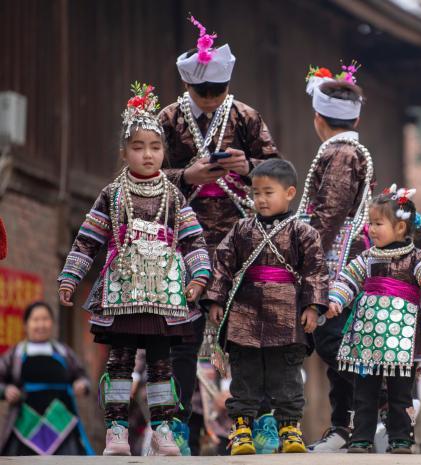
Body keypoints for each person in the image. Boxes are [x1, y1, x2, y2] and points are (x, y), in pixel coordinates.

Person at [57, 83, 211, 456]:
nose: (148, 155)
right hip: (122, 289)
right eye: (138, 148)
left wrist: (200, 276)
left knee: (161, 363)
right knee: (120, 360)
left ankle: (162, 430)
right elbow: (88, 238)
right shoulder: (112, 194)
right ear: (123, 152)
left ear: (164, 152)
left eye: (155, 147)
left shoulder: (174, 197)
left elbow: (193, 240)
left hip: (165, 293)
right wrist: (70, 277)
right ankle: (116, 431)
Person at [158, 16, 279, 449]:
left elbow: (276, 171)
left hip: (238, 237)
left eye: (217, 92)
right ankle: (174, 425)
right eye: (201, 92)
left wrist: (247, 168)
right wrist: (186, 175)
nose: (209, 100)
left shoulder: (246, 116)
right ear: (187, 87)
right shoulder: (168, 118)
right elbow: (144, 175)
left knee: (245, 331)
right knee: (183, 336)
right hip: (183, 239)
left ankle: (253, 419)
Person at [204, 159, 329, 455]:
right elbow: (222, 265)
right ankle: (242, 429)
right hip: (245, 313)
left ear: (289, 193)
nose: (260, 199)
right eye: (256, 193)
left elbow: (316, 271)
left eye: (268, 192)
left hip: (287, 313)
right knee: (244, 374)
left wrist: (312, 306)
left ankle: (289, 429)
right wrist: (216, 300)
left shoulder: (304, 233)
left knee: (286, 376)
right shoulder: (241, 230)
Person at [327, 185, 421, 453]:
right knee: (364, 392)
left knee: (400, 394)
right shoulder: (367, 257)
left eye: (378, 223)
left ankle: (401, 439)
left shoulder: (418, 258)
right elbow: (346, 279)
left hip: (403, 339)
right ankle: (361, 437)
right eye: (371, 223)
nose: (372, 228)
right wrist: (335, 300)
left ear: (401, 229)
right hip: (367, 333)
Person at [298, 62, 374, 452]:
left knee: (335, 343)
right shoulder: (345, 150)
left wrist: (306, 256)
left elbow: (329, 213)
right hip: (335, 256)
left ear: (317, 118)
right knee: (334, 344)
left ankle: (355, 422)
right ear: (357, 117)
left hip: (335, 262)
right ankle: (345, 424)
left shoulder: (341, 154)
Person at [0, 302, 93, 456]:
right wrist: (5, 390)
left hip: (61, 421)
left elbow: (82, 376)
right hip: (25, 423)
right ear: (26, 324)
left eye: (45, 319)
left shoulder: (63, 352)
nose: (41, 324)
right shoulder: (15, 354)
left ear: (52, 323)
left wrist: (81, 384)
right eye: (36, 320)